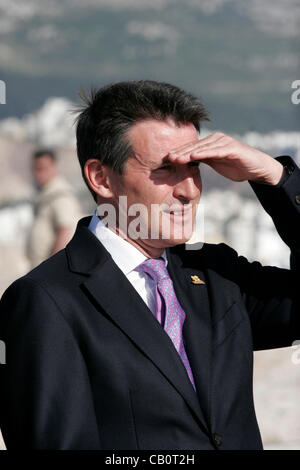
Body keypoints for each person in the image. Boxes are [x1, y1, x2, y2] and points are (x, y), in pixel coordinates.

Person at [0, 80, 299, 450]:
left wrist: (276, 177)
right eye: (167, 169)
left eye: (196, 167)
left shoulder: (218, 274)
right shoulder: (46, 301)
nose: (189, 190)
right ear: (101, 178)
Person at [26, 149, 82, 268]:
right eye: (35, 168)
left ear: (53, 167)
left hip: (49, 270)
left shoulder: (60, 195)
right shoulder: (45, 194)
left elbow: (66, 231)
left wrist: (51, 268)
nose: (38, 173)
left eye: (42, 168)